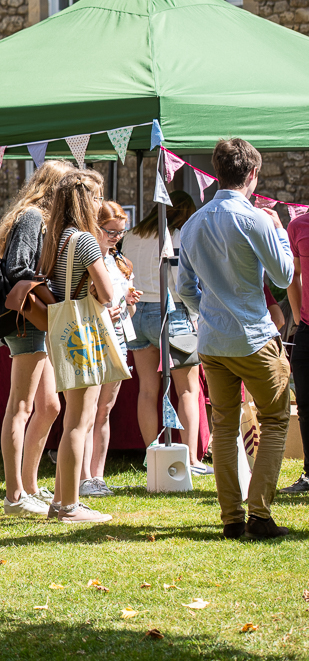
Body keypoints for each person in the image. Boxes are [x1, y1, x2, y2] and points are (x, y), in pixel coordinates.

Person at [178, 138, 294, 540]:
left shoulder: (193, 222)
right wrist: (279, 230)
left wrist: (209, 310)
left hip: (212, 339)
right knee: (276, 418)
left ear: (217, 171)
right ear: (253, 175)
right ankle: (259, 514)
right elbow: (283, 277)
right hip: (253, 336)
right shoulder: (257, 219)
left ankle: (231, 518)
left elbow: (185, 289)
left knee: (225, 426)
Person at [41, 170, 123, 523]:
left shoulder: (57, 237)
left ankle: (60, 501)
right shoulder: (86, 240)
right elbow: (108, 293)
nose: (99, 202)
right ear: (84, 200)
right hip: (82, 332)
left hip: (61, 329)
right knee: (79, 421)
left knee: (74, 419)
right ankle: (70, 506)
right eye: (96, 195)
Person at [0, 160, 72, 517]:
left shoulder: (42, 219)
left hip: (39, 319)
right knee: (21, 406)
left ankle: (28, 486)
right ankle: (14, 496)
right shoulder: (33, 217)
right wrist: (54, 295)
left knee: (50, 406)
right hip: (27, 319)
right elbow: (17, 269)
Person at [120, 191, 206, 473]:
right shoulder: (178, 235)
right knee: (187, 390)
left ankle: (151, 454)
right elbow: (181, 283)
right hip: (171, 311)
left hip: (136, 312)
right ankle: (191, 459)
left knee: (147, 388)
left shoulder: (132, 235)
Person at [79, 201, 140, 498]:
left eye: (120, 232)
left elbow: (128, 313)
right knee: (86, 412)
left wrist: (128, 305)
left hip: (118, 340)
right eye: (110, 231)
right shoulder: (86, 261)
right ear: (96, 228)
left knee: (104, 411)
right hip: (91, 341)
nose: (116, 237)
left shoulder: (120, 264)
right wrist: (105, 312)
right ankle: (82, 477)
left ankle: (98, 476)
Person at [282, 208, 309, 493]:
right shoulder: (299, 225)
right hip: (308, 330)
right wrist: (300, 318)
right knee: (305, 404)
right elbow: (293, 274)